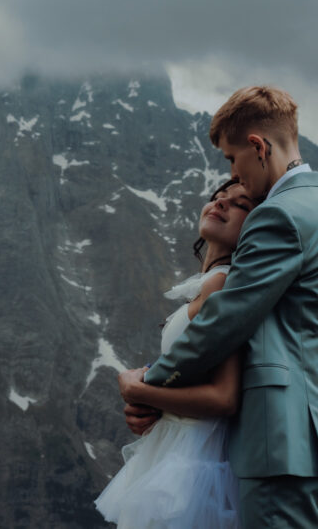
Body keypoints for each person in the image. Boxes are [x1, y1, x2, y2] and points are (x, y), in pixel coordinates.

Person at [133, 86, 318, 528]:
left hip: (280, 439)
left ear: (257, 146)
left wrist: (147, 388)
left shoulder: (281, 215)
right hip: (313, 436)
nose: (233, 174)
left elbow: (225, 319)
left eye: (232, 159)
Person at [95, 178, 257, 528]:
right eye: (217, 196)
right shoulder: (209, 282)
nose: (221, 203)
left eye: (241, 204)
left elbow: (225, 398)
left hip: (193, 460)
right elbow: (193, 365)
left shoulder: (222, 284)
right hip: (177, 450)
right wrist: (149, 390)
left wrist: (139, 390)